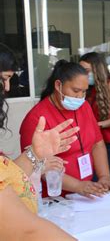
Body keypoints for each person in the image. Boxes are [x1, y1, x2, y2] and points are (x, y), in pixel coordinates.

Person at [0, 44, 77, 240]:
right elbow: (27, 230)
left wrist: (34, 155)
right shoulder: (36, 115)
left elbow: (7, 178)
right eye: (3, 79)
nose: (7, 88)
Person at [20, 60, 110, 198]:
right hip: (53, 198)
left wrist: (104, 176)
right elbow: (38, 166)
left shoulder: (84, 106)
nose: (80, 96)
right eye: (75, 90)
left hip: (85, 192)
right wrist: (77, 186)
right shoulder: (36, 119)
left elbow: (97, 143)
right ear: (58, 85)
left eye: (84, 91)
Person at [79, 52, 110, 183]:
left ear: (97, 70)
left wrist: (100, 124)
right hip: (92, 143)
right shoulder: (86, 89)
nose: (83, 74)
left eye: (86, 71)